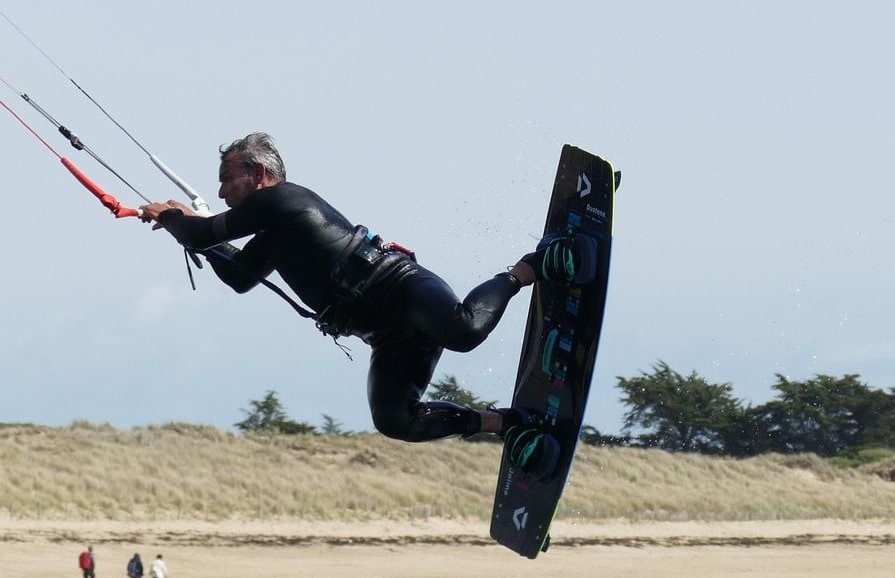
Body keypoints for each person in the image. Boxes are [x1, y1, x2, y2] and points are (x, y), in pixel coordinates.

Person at [140, 133, 592, 477]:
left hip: (400, 287)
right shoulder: (271, 235)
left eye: (227, 179)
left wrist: (177, 219)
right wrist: (191, 233)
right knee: (395, 419)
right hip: (385, 335)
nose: (221, 193)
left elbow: (203, 233)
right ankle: (507, 423)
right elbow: (239, 278)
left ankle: (527, 269)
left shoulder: (281, 199)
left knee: (464, 332)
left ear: (257, 174)